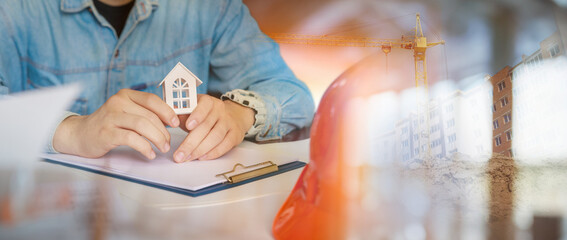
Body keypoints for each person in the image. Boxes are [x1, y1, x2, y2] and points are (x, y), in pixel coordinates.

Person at [0, 0, 314, 163]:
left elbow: (294, 95)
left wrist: (239, 114)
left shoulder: (210, 7)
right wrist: (73, 132)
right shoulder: (14, 11)